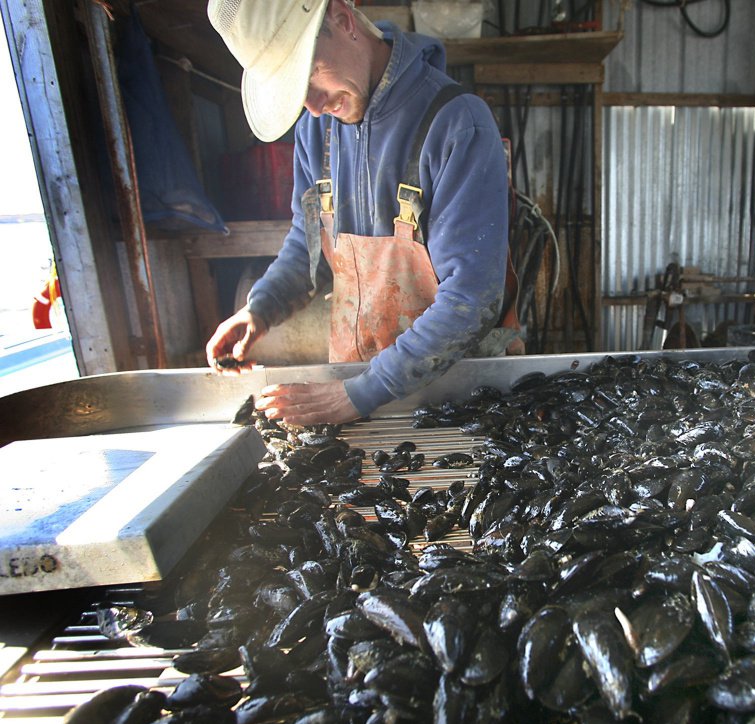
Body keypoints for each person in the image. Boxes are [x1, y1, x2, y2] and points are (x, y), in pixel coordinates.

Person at [205, 0, 521, 425]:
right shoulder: (315, 131)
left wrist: (358, 395)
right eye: (296, 91)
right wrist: (260, 308)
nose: (314, 105)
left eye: (310, 73)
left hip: (459, 396)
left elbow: (471, 296)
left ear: (342, 19)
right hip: (357, 392)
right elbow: (307, 243)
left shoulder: (457, 124)